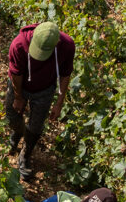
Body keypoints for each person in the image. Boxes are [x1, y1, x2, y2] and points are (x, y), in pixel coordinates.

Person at [5, 21, 74, 179]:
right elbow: (16, 74)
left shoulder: (67, 46)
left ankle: (25, 155)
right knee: (12, 116)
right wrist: (18, 97)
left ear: (57, 43)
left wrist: (59, 103)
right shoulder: (19, 44)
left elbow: (65, 74)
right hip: (20, 85)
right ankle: (17, 132)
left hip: (45, 89)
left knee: (36, 126)